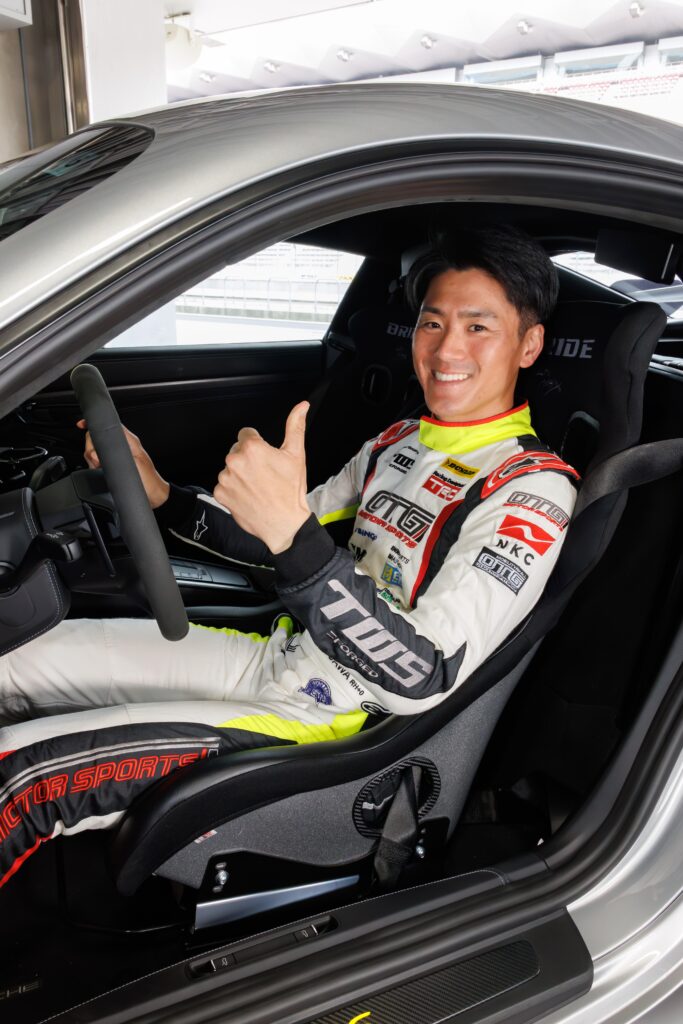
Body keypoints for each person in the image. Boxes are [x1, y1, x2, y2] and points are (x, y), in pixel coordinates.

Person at [0, 225, 579, 885]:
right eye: (432, 323)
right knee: (13, 659)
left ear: (528, 344)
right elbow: (269, 535)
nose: (447, 349)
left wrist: (294, 539)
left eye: (478, 327)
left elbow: (423, 674)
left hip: (330, 720)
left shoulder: (530, 490)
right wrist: (160, 494)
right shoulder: (398, 442)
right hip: (280, 655)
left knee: (20, 777)